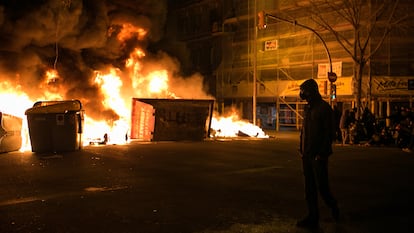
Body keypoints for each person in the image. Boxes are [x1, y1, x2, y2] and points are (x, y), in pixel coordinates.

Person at [297, 79, 340, 229]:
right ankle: (312, 217)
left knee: (322, 187)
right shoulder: (308, 108)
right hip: (307, 155)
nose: (301, 93)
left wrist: (322, 153)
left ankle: (333, 206)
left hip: (318, 156)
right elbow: (305, 131)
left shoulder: (324, 108)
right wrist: (301, 148)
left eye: (303, 90)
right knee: (309, 189)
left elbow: (329, 133)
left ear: (311, 91)